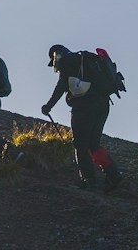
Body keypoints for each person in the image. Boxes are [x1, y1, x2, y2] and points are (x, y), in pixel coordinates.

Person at [41, 45, 123, 192]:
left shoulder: (67, 61)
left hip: (84, 106)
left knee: (80, 144)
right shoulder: (84, 61)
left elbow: (62, 84)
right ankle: (113, 174)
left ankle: (88, 180)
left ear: (56, 55)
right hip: (103, 104)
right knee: (94, 143)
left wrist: (49, 105)